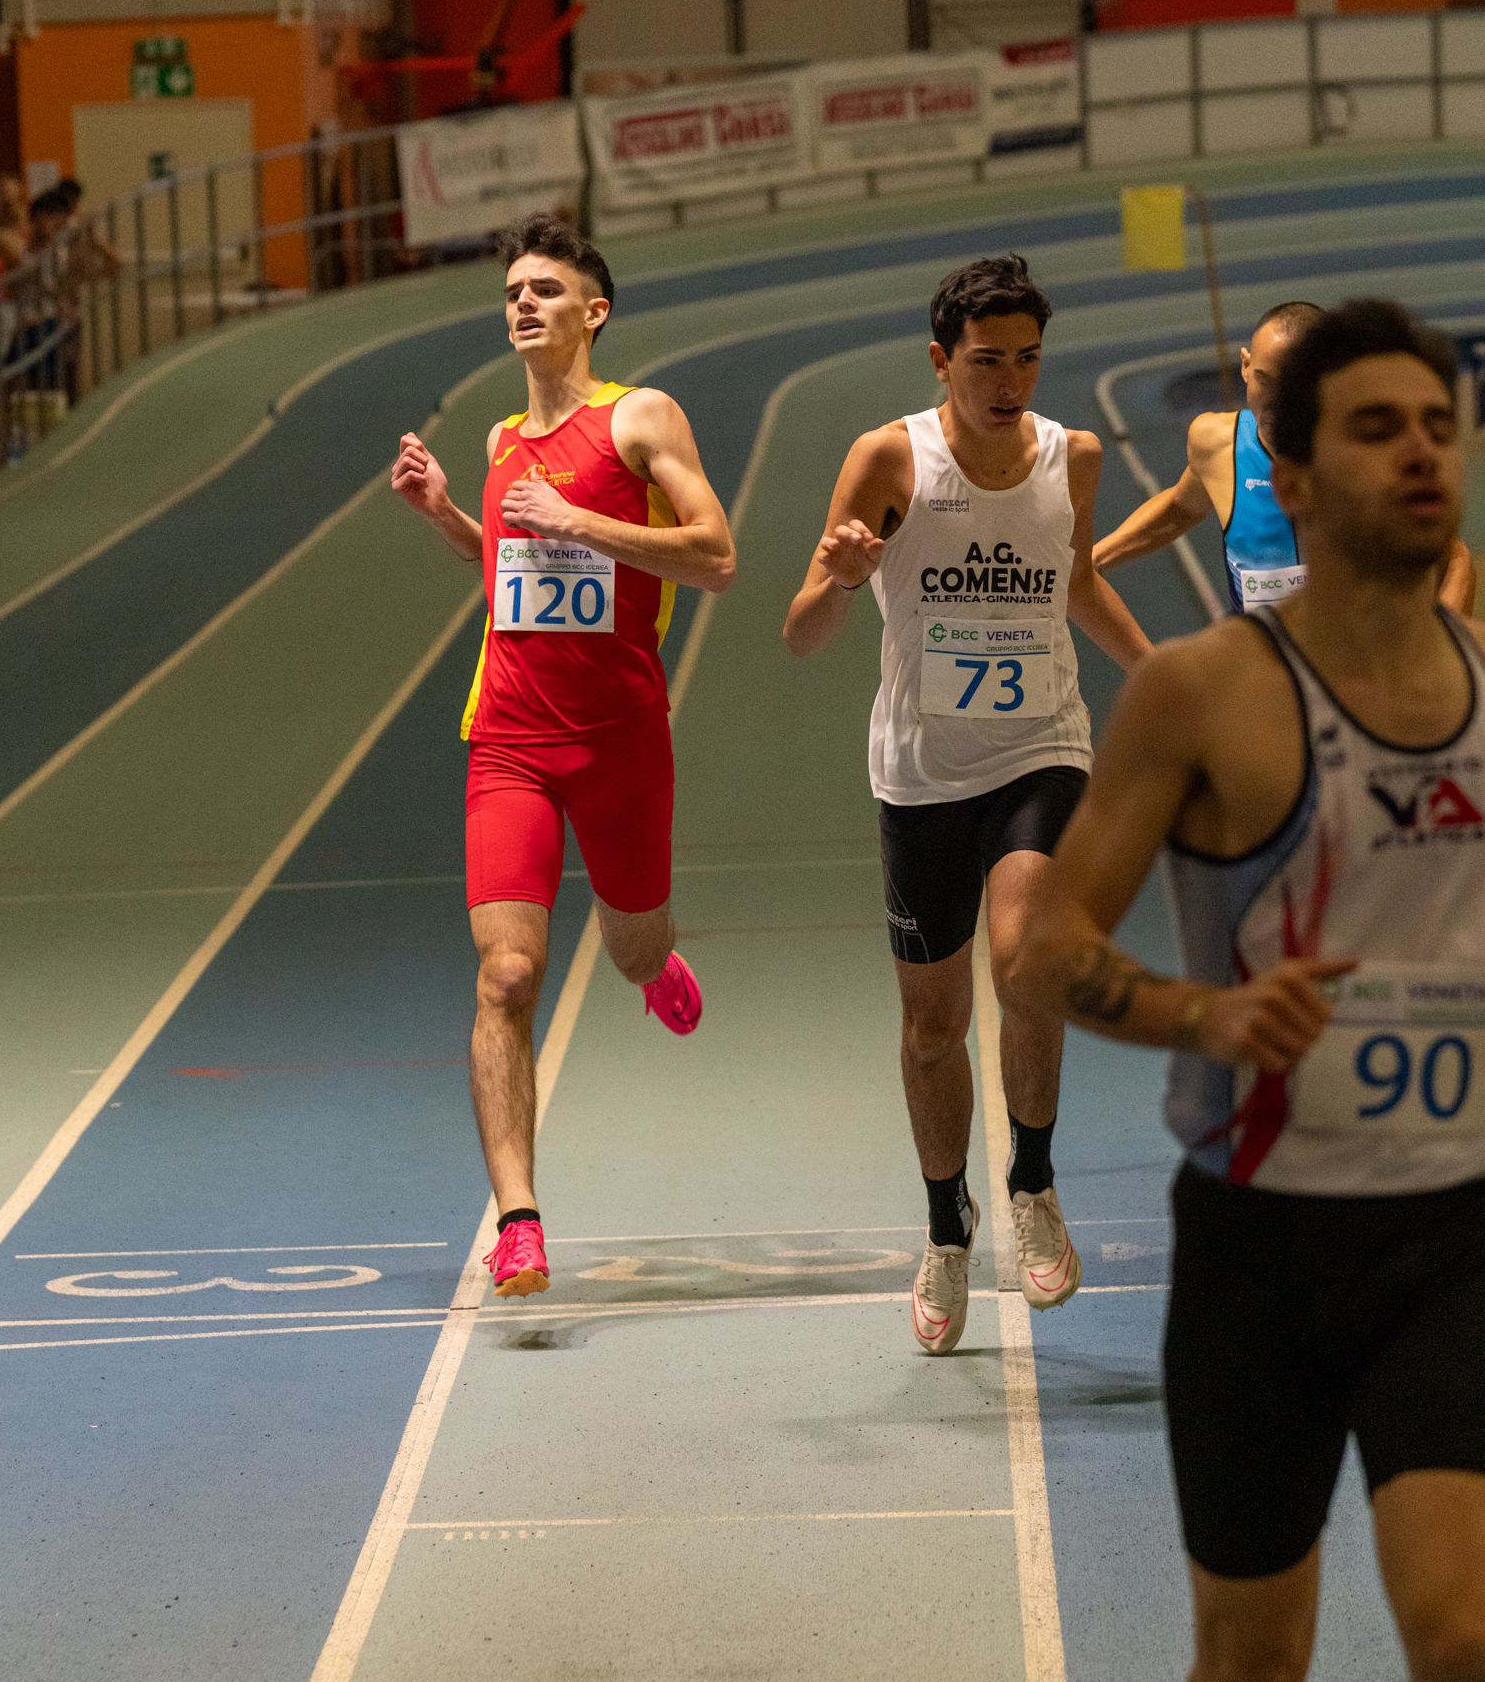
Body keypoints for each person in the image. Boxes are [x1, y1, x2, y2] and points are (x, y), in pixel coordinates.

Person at [1013, 299, 1485, 1682]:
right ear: (1283, 463)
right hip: (1262, 1249)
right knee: (1246, 1673)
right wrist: (1199, 1010)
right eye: (1374, 425)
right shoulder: (1203, 691)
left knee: (1466, 1642)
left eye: (1436, 422)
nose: (1419, 451)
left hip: (1455, 1229)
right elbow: (1048, 941)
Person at [782, 252, 1152, 1354]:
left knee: (1027, 958)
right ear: (940, 359)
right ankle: (947, 1225)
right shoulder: (889, 456)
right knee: (932, 1027)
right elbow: (802, 630)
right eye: (987, 360)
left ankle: (1031, 1182)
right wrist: (844, 575)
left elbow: (1074, 582)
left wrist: (1166, 678)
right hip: (920, 773)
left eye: (1028, 358)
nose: (1011, 381)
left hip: (1041, 750)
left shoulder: (1072, 457)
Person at [390, 212, 736, 1299]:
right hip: (509, 743)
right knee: (507, 974)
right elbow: (512, 572)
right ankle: (519, 1220)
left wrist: (583, 522)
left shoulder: (639, 417)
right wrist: (448, 514)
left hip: (621, 740)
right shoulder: (501, 442)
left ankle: (653, 966)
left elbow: (716, 554)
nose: (523, 304)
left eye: (544, 289)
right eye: (511, 293)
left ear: (594, 310)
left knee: (633, 946)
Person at [1095, 297, 1476, 616]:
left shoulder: (1369, 456)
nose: (1279, 402)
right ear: (1245, 365)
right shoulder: (1216, 443)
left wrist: (1443, 649)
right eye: (1266, 380)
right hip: (1263, 670)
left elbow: (1454, 562)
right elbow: (1181, 508)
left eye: (1295, 386)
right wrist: (1092, 560)